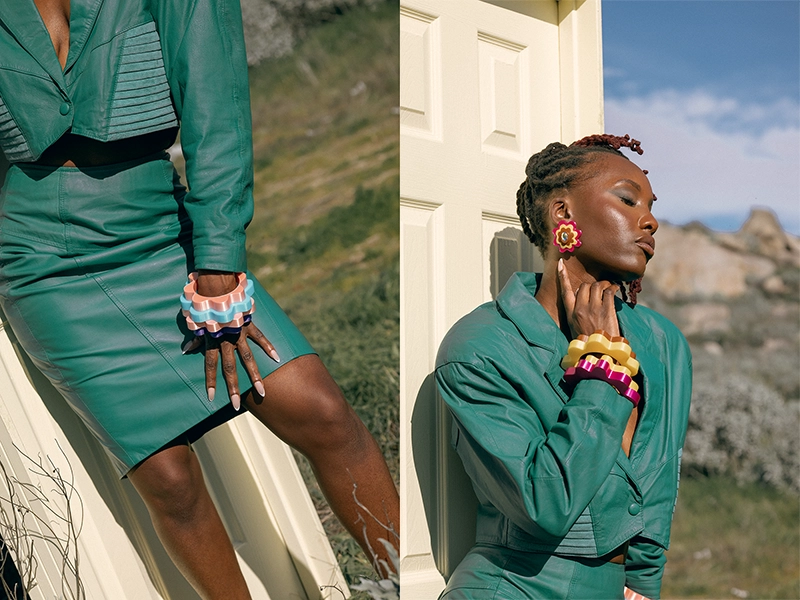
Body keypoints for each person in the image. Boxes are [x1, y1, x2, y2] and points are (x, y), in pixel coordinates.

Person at [0, 0, 398, 597]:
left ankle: (409, 581)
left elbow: (216, 109)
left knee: (320, 410)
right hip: (39, 263)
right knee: (168, 478)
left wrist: (218, 265)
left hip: (158, 229)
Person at [435, 134, 691, 599]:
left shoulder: (662, 343)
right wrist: (601, 364)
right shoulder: (482, 348)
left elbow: (657, 481)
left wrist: (643, 583)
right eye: (627, 200)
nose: (650, 221)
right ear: (563, 214)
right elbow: (545, 504)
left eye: (651, 206)